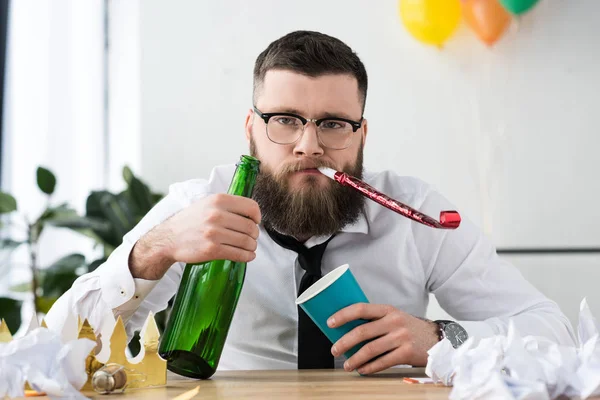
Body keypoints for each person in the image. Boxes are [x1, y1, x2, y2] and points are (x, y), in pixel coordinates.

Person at [46, 30, 575, 375]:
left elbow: (552, 333)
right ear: (251, 128)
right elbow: (55, 354)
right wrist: (152, 251)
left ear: (361, 134)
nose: (309, 145)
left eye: (333, 124)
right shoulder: (197, 205)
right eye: (285, 120)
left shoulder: (415, 213)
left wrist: (442, 336)